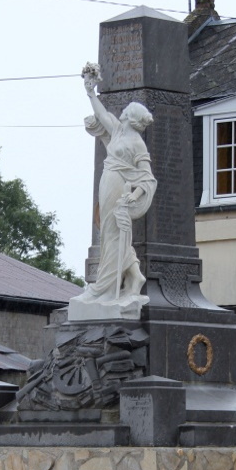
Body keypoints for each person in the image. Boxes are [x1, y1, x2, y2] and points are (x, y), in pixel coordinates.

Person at [72, 66, 156, 307]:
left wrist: (135, 196)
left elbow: (146, 177)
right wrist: (90, 93)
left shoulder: (137, 143)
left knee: (112, 235)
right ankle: (135, 276)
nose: (122, 113)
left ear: (132, 117)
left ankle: (102, 287)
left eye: (126, 111)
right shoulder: (118, 131)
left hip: (119, 187)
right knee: (111, 234)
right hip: (107, 182)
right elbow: (102, 115)